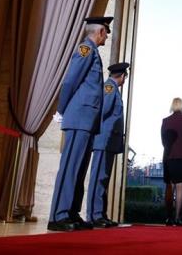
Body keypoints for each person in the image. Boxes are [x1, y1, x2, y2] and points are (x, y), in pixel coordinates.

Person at [48, 16, 112, 232]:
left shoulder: (93, 52)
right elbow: (70, 81)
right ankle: (58, 215)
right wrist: (61, 110)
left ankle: (72, 212)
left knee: (79, 169)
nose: (106, 38)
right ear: (100, 32)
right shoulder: (85, 49)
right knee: (70, 167)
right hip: (79, 118)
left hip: (87, 120)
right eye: (106, 33)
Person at [86, 61, 129, 228]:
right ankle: (94, 215)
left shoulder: (113, 89)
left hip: (109, 141)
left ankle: (101, 213)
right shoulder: (110, 88)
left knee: (103, 178)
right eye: (125, 77)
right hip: (104, 140)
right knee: (99, 177)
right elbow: (102, 111)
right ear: (122, 76)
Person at [161, 97, 182, 226]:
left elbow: (163, 141)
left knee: (169, 186)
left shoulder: (165, 121)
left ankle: (168, 218)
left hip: (169, 156)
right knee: (180, 187)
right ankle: (177, 218)